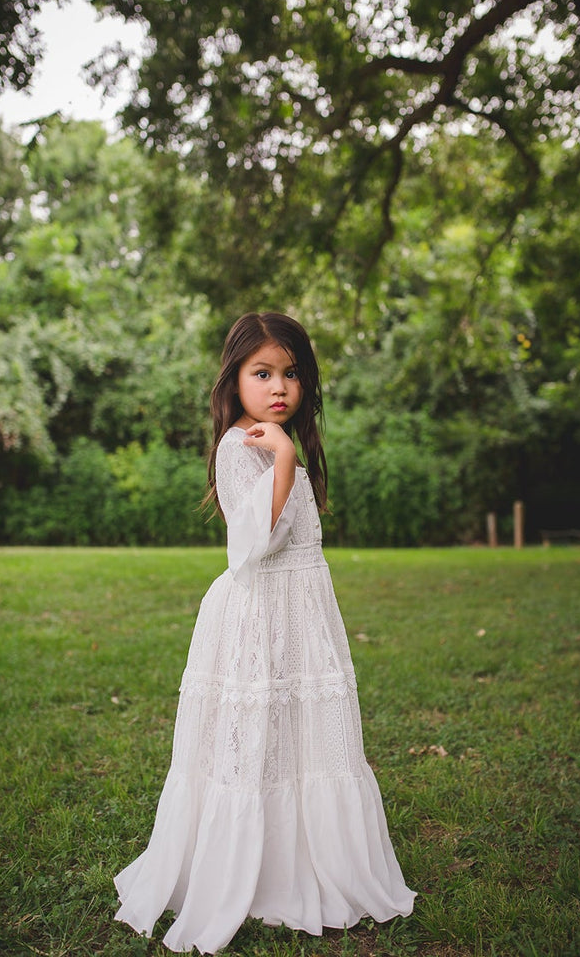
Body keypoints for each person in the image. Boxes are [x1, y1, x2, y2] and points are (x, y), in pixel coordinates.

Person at [114, 312, 416, 953]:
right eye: (263, 373)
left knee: (299, 734)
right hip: (258, 611)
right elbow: (256, 542)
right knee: (257, 738)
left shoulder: (276, 442)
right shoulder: (242, 445)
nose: (279, 386)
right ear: (235, 381)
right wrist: (280, 454)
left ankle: (304, 855)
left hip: (300, 610)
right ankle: (251, 866)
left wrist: (285, 452)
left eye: (291, 373)